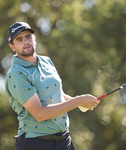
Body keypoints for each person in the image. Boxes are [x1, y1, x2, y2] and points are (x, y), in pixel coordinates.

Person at [4, 22, 100, 150]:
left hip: (64, 140)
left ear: (35, 39)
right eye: (19, 40)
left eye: (28, 37)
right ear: (12, 47)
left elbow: (58, 94)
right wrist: (77, 101)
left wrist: (80, 101)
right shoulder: (16, 74)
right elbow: (39, 114)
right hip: (36, 143)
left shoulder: (46, 61)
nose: (25, 42)